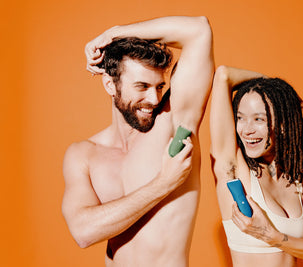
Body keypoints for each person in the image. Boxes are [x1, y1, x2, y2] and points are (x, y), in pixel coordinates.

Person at [61, 16, 214, 267]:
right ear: (110, 84)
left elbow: (199, 30)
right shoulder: (83, 154)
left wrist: (113, 33)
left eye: (159, 86)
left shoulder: (172, 122)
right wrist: (163, 183)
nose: (154, 99)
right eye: (142, 86)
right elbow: (83, 232)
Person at [210, 66, 303, 266]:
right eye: (240, 118)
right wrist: (267, 83)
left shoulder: (300, 173)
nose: (246, 130)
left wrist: (271, 236)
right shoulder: (233, 166)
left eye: (259, 119)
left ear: (282, 123)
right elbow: (223, 75)